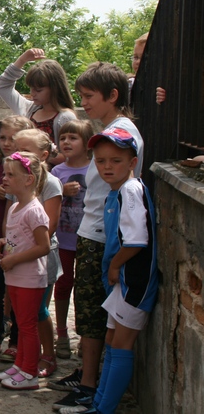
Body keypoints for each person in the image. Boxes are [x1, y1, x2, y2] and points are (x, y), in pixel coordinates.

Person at [51, 62, 144, 412]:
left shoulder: (120, 133)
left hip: (101, 235)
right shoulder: (114, 129)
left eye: (89, 96)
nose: (83, 103)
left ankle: (89, 385)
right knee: (91, 311)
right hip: (93, 231)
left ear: (113, 95)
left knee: (91, 313)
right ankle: (88, 375)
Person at [59, 129, 157, 414]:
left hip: (132, 280)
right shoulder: (118, 191)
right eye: (100, 161)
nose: (107, 167)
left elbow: (137, 240)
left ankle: (104, 408)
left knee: (122, 344)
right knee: (112, 341)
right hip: (121, 279)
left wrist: (114, 265)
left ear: (132, 162)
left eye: (115, 161)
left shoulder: (130, 191)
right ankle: (100, 402)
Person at [0, 152, 51, 391]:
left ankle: (29, 372)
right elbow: (17, 238)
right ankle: (20, 364)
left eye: (10, 175)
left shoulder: (34, 210)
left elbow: (44, 246)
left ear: (29, 180)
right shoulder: (16, 207)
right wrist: (3, 243)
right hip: (15, 275)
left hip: (30, 277)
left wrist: (14, 259)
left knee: (27, 326)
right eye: (4, 174)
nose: (4, 179)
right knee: (20, 321)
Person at [10, 129, 63, 378]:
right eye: (16, 149)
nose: (18, 154)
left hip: (39, 258)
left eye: (25, 150)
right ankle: (23, 361)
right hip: (18, 257)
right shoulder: (16, 179)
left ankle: (48, 355)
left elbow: (48, 228)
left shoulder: (50, 183)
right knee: (23, 314)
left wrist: (21, 253)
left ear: (43, 155)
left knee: (38, 310)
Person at [0, 115, 34, 357]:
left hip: (22, 244)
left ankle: (16, 341)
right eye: (2, 137)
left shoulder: (30, 171)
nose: (6, 143)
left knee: (16, 295)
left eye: (12, 138)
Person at [50, 119, 94, 359]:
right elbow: (48, 200)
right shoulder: (57, 172)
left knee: (86, 289)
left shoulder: (96, 169)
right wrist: (62, 191)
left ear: (87, 144)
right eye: (63, 138)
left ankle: (86, 337)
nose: (66, 142)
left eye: (73, 138)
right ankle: (62, 334)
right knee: (63, 285)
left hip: (89, 239)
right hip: (64, 239)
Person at [0, 48, 77, 166]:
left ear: (54, 89)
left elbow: (70, 156)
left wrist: (36, 153)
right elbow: (3, 87)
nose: (33, 93)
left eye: (38, 90)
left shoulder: (65, 118)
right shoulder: (28, 109)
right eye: (31, 88)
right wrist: (22, 60)